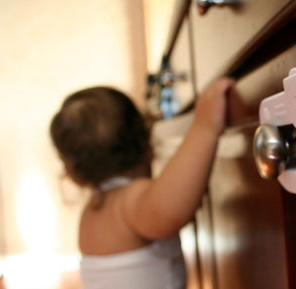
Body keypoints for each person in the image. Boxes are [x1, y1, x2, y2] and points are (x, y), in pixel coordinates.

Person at [50, 78, 236, 289]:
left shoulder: (94, 211)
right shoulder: (128, 203)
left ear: (75, 171)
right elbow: (170, 210)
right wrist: (204, 127)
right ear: (146, 141)